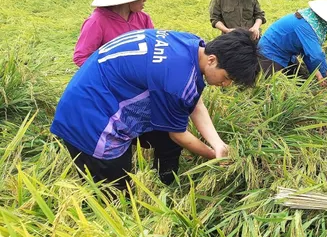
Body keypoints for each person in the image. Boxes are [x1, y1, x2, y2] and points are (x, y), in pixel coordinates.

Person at [51, 29, 260, 190]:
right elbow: (179, 134)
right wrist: (215, 156)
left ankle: (166, 184)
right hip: (90, 120)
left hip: (104, 93)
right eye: (227, 78)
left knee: (166, 142)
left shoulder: (192, 44)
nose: (227, 85)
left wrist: (218, 143)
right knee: (116, 194)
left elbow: (195, 102)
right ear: (213, 60)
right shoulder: (176, 80)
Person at [73, 0, 161, 67]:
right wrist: (110, 72)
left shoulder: (143, 18)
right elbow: (81, 57)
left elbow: (153, 47)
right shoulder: (97, 22)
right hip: (111, 79)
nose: (145, 0)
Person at [258, 0, 327, 87]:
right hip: (270, 53)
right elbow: (316, 56)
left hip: (288, 54)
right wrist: (324, 76)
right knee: (275, 88)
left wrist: (321, 75)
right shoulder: (306, 26)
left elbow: (308, 54)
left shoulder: (312, 22)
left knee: (303, 80)